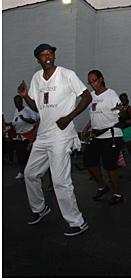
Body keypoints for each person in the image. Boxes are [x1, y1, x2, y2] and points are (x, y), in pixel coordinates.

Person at [18, 43, 92, 237]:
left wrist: (69, 117)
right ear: (38, 60)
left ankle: (77, 221)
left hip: (61, 134)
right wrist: (26, 97)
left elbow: (86, 97)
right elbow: (38, 108)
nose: (47, 56)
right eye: (43, 55)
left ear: (54, 56)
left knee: (60, 180)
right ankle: (40, 209)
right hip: (43, 134)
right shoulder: (36, 78)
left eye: (50, 53)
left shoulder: (67, 74)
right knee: (30, 174)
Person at [80, 70, 125, 205]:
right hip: (96, 134)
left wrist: (121, 109)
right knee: (88, 162)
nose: (92, 84)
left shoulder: (110, 93)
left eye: (94, 80)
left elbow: (121, 114)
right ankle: (102, 186)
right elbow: (94, 116)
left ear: (100, 79)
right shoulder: (91, 96)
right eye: (90, 82)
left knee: (109, 166)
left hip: (110, 134)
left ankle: (117, 194)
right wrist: (86, 129)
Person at [5, 95, 38, 179]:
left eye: (19, 102)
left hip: (27, 137)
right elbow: (14, 122)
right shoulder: (16, 111)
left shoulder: (27, 110)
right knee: (19, 155)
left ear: (22, 102)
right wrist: (7, 125)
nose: (18, 104)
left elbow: (34, 120)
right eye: (16, 103)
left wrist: (24, 119)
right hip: (19, 137)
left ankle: (29, 173)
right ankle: (21, 172)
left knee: (26, 155)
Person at [118, 93, 131, 169]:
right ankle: (120, 161)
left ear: (127, 100)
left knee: (129, 145)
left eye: (124, 100)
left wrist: (130, 120)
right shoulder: (118, 109)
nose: (123, 101)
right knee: (118, 146)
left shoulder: (130, 109)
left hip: (127, 128)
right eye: (122, 100)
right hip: (120, 128)